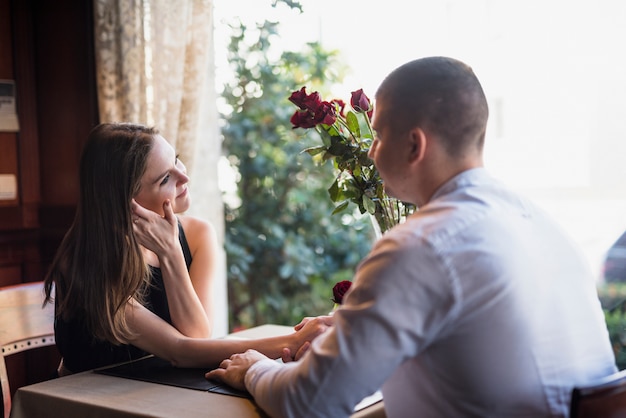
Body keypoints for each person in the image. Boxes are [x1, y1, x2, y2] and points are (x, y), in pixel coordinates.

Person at [206, 56, 618, 417]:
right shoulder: (541, 224)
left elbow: (309, 404)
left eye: (380, 135)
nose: (370, 152)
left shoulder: (420, 246)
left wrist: (255, 369)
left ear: (414, 145)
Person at [43, 122, 326, 374]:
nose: (184, 178)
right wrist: (292, 341)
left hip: (156, 389)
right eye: (165, 178)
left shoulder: (198, 234)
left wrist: (172, 253)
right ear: (127, 203)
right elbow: (181, 350)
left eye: (176, 160)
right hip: (87, 403)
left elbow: (198, 335)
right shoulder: (88, 260)